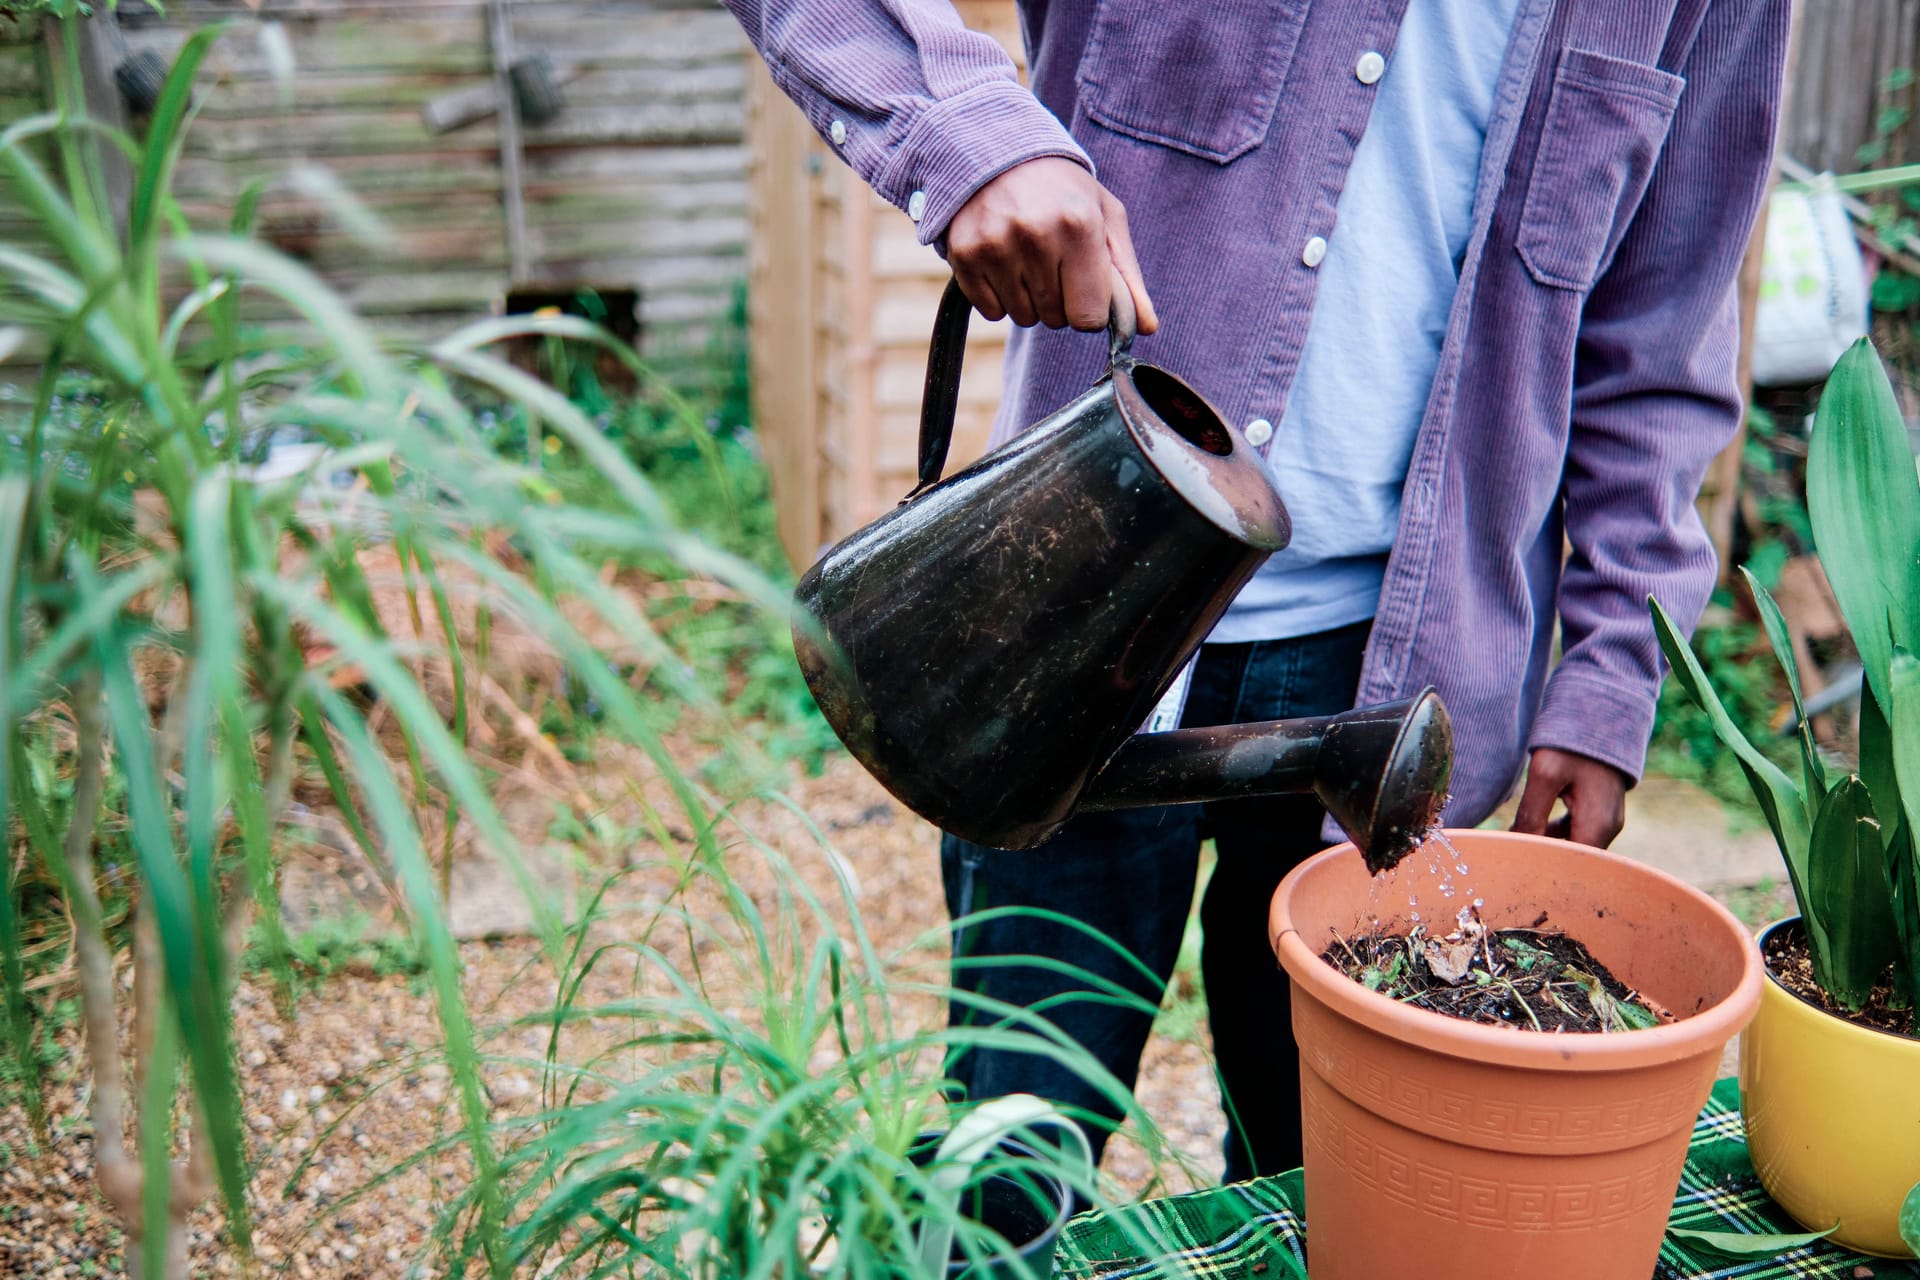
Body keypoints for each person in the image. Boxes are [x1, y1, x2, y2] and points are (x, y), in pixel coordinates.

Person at [723, 0, 1792, 1180]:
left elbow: (1662, 338)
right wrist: (967, 133)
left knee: (1321, 1189)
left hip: (1399, 681)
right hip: (1075, 621)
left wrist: (1610, 673)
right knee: (1010, 1161)